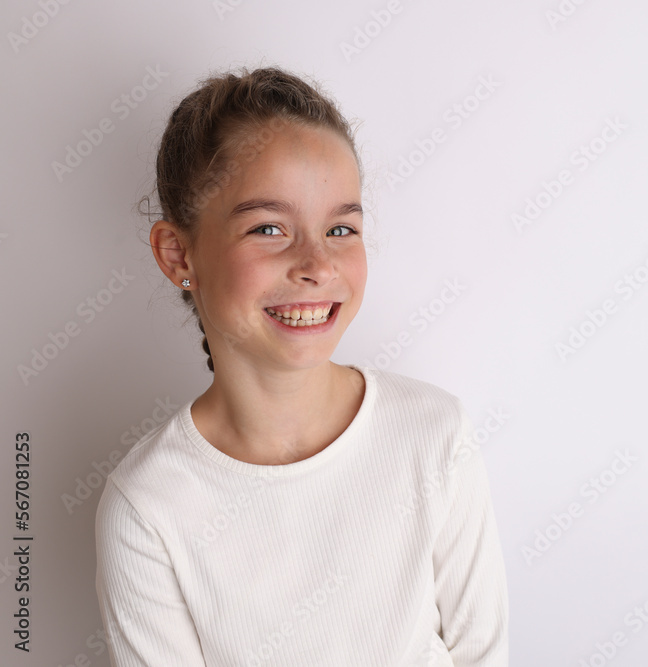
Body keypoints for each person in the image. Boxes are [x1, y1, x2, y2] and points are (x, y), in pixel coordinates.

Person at [94, 65, 509, 666]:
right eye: (269, 228)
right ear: (178, 253)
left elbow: (483, 653)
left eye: (340, 227)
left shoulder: (433, 433)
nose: (316, 263)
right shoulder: (149, 507)